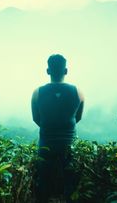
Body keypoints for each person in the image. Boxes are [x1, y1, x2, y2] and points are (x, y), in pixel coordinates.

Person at [31, 54, 84, 203]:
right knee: (71, 184)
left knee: (43, 184)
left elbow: (36, 118)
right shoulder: (78, 92)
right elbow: (77, 117)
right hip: (69, 143)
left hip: (45, 143)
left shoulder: (37, 92)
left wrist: (51, 127)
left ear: (48, 71)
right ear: (66, 71)